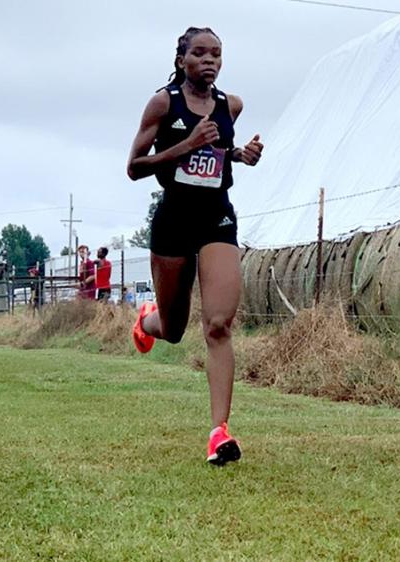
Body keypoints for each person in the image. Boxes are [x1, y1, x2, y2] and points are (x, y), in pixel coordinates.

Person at [126, 26, 264, 465]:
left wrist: (241, 155)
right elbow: (134, 166)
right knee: (173, 329)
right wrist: (186, 145)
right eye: (200, 53)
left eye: (216, 54)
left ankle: (219, 433)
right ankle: (146, 321)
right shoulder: (163, 103)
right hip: (173, 220)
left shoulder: (231, 105)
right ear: (181, 59)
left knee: (218, 325)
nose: (209, 61)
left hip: (216, 218)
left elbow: (221, 150)